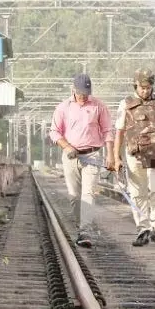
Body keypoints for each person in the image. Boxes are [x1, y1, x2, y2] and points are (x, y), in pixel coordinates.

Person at [113, 69, 155, 247]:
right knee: (138, 194)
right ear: (135, 86)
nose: (145, 91)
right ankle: (143, 229)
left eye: (148, 87)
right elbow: (119, 132)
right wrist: (116, 157)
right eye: (142, 88)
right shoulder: (125, 104)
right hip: (134, 154)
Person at [49, 73, 114, 247]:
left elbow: (108, 130)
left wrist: (110, 155)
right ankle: (81, 226)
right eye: (80, 92)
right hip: (71, 156)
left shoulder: (98, 106)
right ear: (73, 89)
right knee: (75, 196)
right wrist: (66, 146)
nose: (83, 96)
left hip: (92, 155)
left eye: (86, 92)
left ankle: (85, 230)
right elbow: (54, 131)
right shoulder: (63, 108)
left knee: (88, 193)